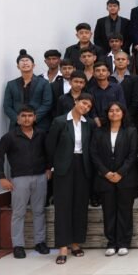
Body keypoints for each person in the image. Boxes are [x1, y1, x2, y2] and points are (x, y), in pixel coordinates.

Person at [0, 106, 50, 258]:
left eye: (30, 115)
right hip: (19, 179)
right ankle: (18, 245)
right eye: (23, 116)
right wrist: (1, 177)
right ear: (18, 119)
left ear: (35, 118)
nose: (26, 119)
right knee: (19, 213)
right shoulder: (9, 137)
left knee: (39, 211)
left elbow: (48, 152)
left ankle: (40, 242)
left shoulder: (41, 134)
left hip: (40, 177)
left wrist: (48, 168)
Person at [46, 93, 94, 264]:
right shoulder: (60, 121)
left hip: (83, 166)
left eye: (89, 106)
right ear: (76, 101)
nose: (85, 107)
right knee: (63, 206)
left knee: (80, 205)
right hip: (63, 166)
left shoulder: (89, 124)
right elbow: (50, 146)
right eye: (83, 103)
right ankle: (62, 247)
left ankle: (75, 243)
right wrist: (50, 167)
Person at [90, 101, 138, 256]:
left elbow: (132, 155)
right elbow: (94, 154)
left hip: (125, 178)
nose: (114, 113)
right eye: (111, 110)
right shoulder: (99, 131)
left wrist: (120, 173)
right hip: (105, 178)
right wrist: (106, 173)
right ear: (107, 113)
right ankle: (111, 242)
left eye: (117, 110)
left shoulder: (131, 131)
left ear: (123, 113)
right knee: (108, 211)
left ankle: (124, 243)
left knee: (125, 211)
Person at [4, 50, 53, 131]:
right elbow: (7, 106)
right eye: (22, 61)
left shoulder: (44, 83)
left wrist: (34, 118)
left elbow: (47, 103)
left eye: (27, 60)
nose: (25, 63)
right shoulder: (11, 84)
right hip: (17, 125)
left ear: (33, 65)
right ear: (18, 66)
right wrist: (17, 119)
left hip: (39, 124)